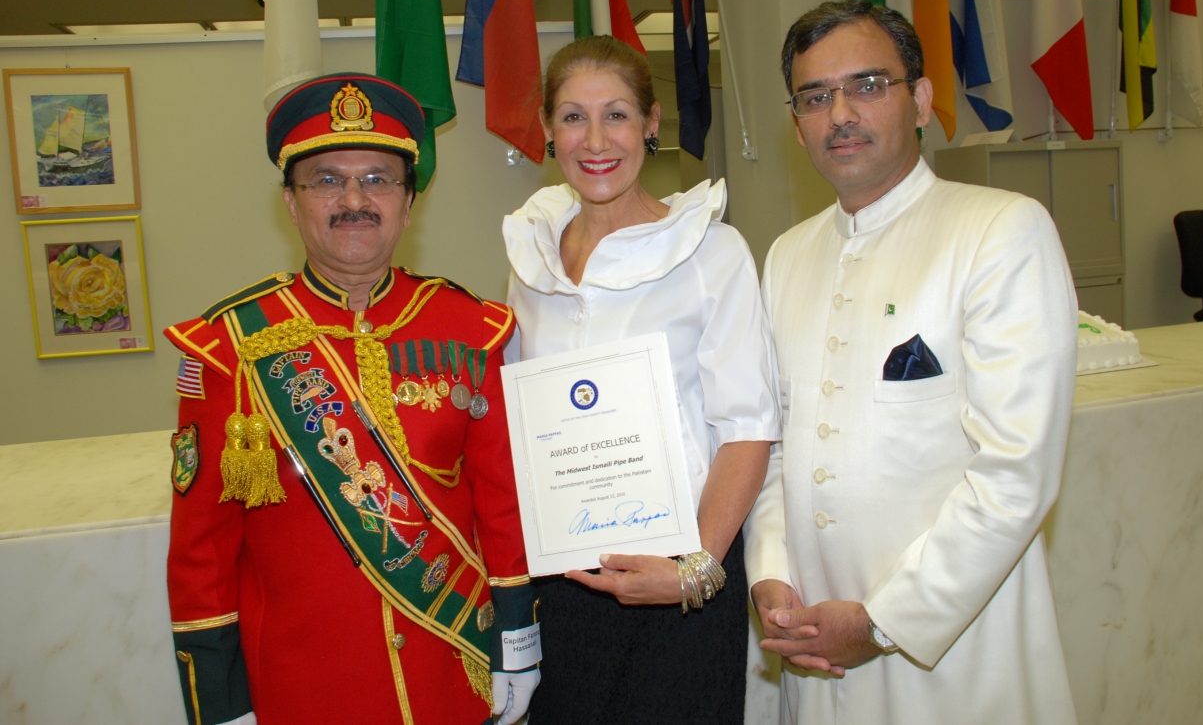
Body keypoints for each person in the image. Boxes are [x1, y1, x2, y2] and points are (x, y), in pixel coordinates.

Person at [163, 73, 539, 725]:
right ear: (291, 201)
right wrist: (220, 705)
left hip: (452, 683)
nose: (354, 199)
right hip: (305, 695)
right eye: (327, 180)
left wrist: (518, 644)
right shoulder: (229, 347)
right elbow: (203, 550)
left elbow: (504, 507)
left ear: (408, 202)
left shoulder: (471, 330)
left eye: (377, 179)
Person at [746, 0, 1078, 724]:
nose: (840, 114)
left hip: (955, 656)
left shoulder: (999, 230)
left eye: (867, 85)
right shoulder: (786, 256)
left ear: (921, 100)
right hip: (812, 649)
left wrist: (884, 622)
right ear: (796, 125)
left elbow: (1016, 473)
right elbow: (771, 445)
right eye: (814, 97)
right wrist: (769, 573)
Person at [503, 35, 779, 724]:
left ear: (652, 123)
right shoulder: (530, 259)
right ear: (547, 128)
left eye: (617, 115)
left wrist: (692, 569)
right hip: (565, 582)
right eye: (573, 116)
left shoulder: (710, 250)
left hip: (680, 578)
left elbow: (748, 426)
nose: (596, 140)